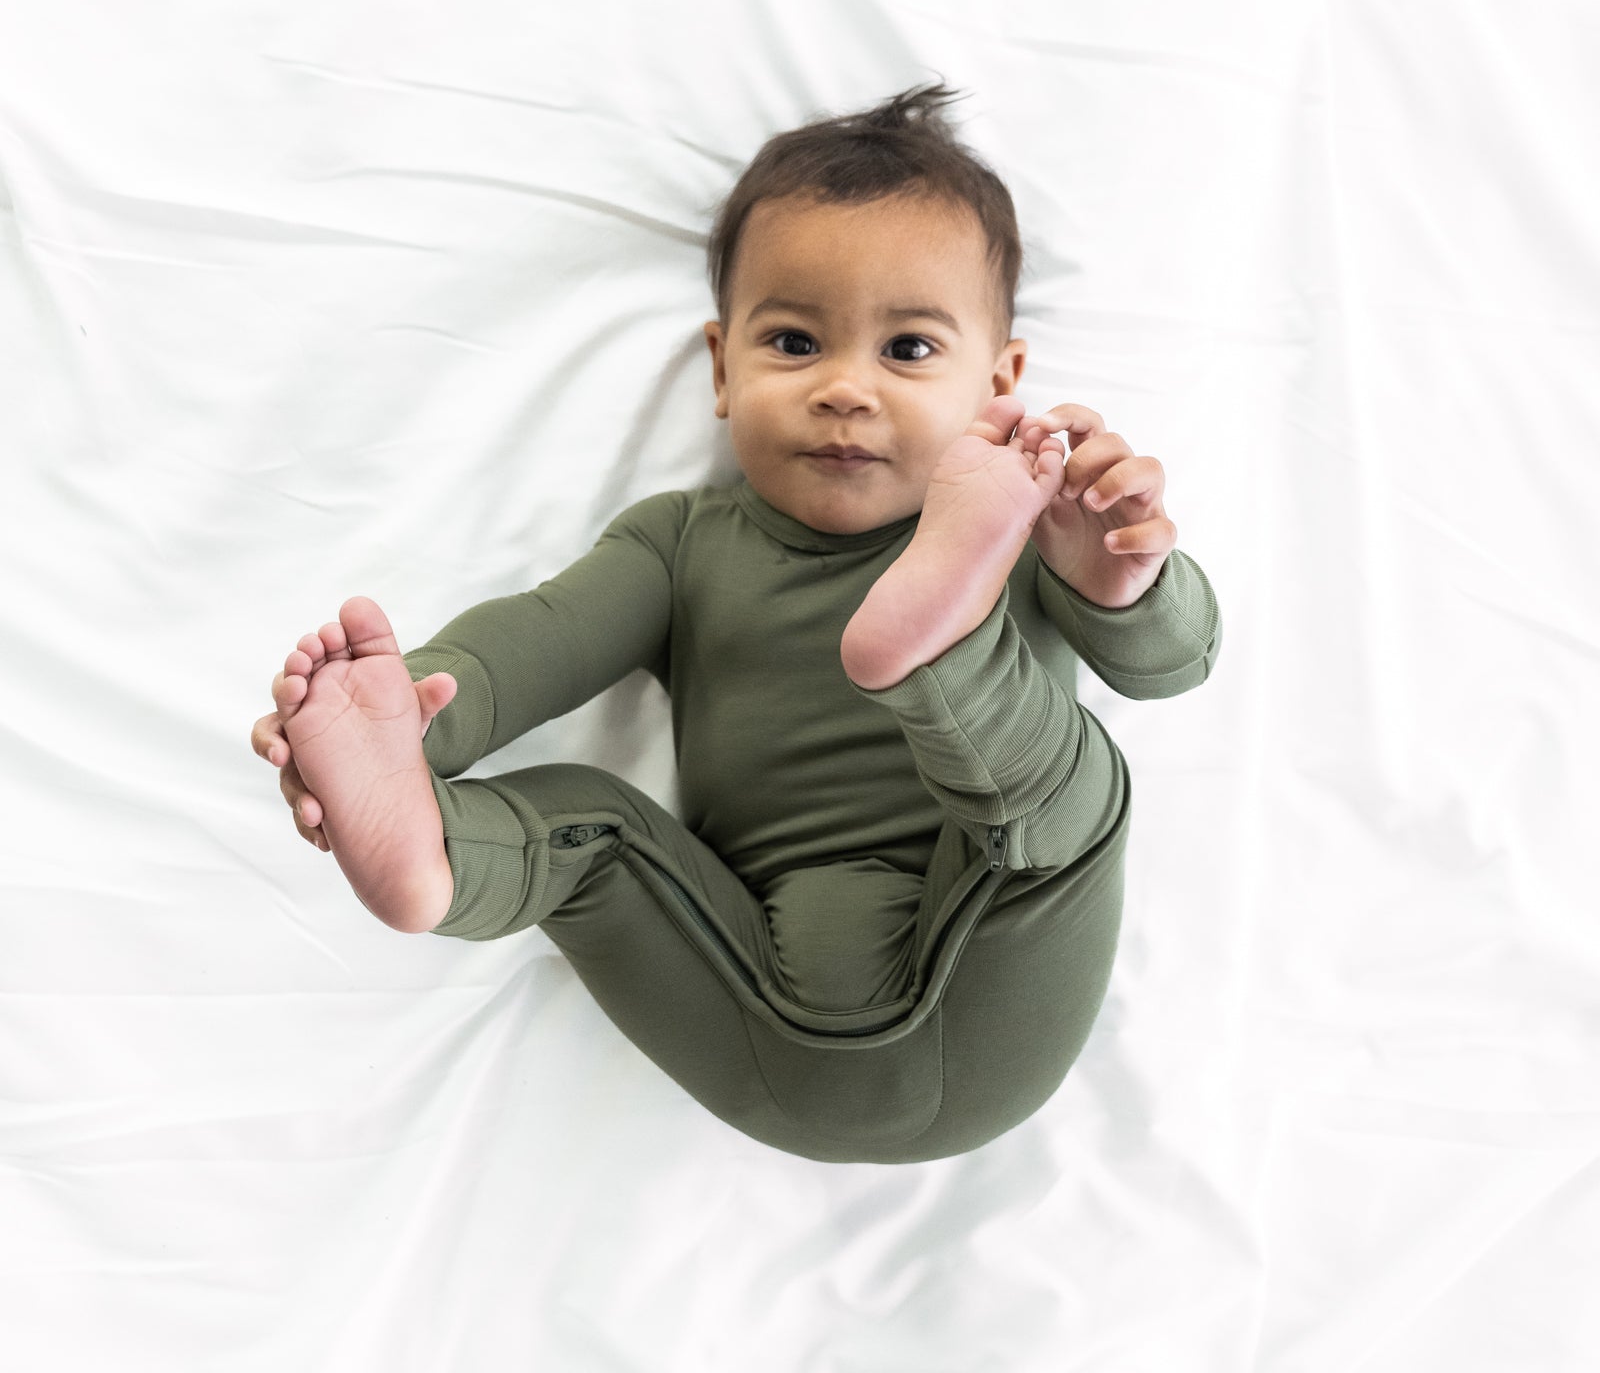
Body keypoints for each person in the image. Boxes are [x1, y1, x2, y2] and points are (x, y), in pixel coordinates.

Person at [249, 80, 1223, 1163]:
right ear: (722, 367)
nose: (845, 389)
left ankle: (937, 640)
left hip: (1002, 958)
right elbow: (534, 640)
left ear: (1001, 379)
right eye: (796, 342)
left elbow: (1173, 668)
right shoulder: (682, 545)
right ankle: (437, 861)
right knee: (586, 821)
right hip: (752, 1000)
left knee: (1073, 797)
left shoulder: (1037, 526)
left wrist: (1118, 578)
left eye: (907, 350)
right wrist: (393, 718)